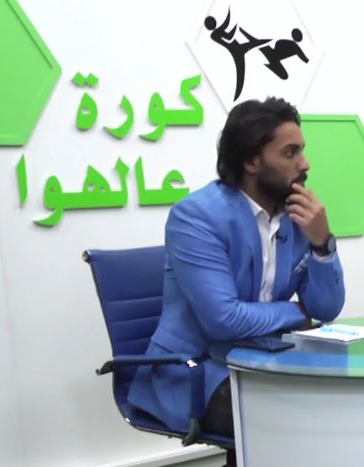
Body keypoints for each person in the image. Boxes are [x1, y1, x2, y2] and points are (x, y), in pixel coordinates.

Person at [129, 96, 345, 437]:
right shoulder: (196, 217)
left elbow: (326, 309)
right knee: (300, 420)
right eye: (290, 153)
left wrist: (321, 243)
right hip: (197, 372)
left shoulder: (296, 216)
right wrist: (295, 313)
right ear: (250, 161)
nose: (304, 164)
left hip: (267, 361)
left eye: (302, 151)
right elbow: (224, 320)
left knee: (346, 400)